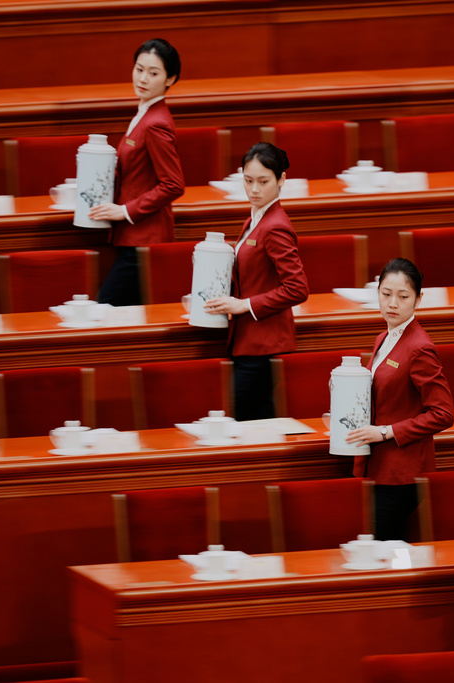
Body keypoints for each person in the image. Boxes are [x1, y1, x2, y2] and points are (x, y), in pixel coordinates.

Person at [346, 258, 454, 541]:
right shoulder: (384, 337)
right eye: (386, 294)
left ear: (418, 299)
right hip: (378, 467)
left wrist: (385, 432)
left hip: (402, 475)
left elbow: (443, 413)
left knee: (380, 552)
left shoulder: (420, 348)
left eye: (403, 296)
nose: (392, 303)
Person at [203, 142, 309, 420]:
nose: (254, 190)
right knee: (257, 425)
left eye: (263, 182)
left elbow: (297, 289)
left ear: (281, 180)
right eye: (248, 181)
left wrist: (244, 305)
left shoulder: (275, 226)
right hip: (249, 342)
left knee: (243, 423)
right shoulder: (256, 219)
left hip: (264, 346)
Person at [92, 37, 185, 306]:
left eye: (153, 73)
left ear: (170, 79)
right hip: (134, 238)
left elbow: (173, 184)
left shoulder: (156, 123)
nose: (143, 78)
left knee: (106, 309)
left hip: (143, 241)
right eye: (139, 69)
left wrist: (125, 211)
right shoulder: (145, 114)